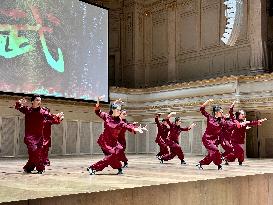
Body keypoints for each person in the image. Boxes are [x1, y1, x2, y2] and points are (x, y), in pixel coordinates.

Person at [87, 96, 145, 175]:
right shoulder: (106, 116)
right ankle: (93, 167)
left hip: (114, 142)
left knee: (118, 151)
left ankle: (118, 167)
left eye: (120, 110)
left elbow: (127, 126)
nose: (119, 112)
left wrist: (135, 128)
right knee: (112, 155)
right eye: (118, 110)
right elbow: (98, 111)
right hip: (105, 142)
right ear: (113, 110)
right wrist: (97, 101)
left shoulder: (120, 122)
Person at [14, 95, 63, 174]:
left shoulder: (43, 112)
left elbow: (51, 117)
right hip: (30, 137)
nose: (39, 102)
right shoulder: (27, 110)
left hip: (39, 138)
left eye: (40, 100)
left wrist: (57, 116)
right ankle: (40, 168)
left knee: (35, 155)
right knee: (35, 152)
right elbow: (18, 107)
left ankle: (28, 168)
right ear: (32, 101)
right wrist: (19, 102)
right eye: (37, 100)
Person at [197, 99, 224, 170]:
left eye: (222, 112)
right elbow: (202, 109)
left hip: (214, 140)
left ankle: (201, 163)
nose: (222, 113)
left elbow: (230, 124)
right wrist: (207, 101)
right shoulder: (209, 117)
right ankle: (218, 164)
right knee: (216, 151)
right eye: (221, 112)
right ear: (216, 112)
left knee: (211, 155)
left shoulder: (221, 121)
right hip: (207, 139)